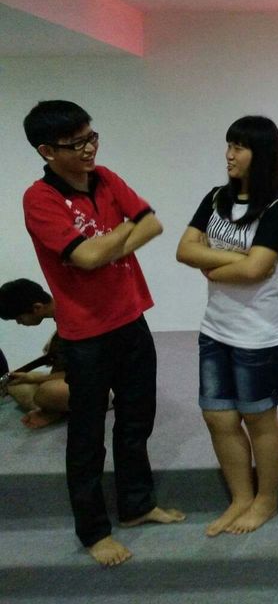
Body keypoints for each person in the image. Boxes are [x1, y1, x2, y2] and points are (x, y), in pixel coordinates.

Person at [21, 100, 184, 566]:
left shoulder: (106, 177)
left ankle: (136, 505)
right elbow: (86, 257)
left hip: (131, 317)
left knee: (136, 420)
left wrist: (107, 243)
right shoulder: (40, 199)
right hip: (85, 333)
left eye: (91, 137)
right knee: (87, 435)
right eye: (76, 143)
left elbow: (153, 224)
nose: (90, 149)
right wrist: (124, 233)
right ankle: (94, 532)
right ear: (47, 151)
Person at [175, 115, 278, 537]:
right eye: (228, 145)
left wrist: (215, 264)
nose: (229, 154)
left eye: (239, 147)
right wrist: (239, 260)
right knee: (218, 417)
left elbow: (257, 270)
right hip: (217, 327)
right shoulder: (215, 198)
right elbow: (184, 250)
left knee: (258, 417)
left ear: (261, 154)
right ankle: (241, 497)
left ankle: (266, 499)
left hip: (262, 332)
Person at [0, 278, 70, 429]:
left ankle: (54, 410)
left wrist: (37, 378)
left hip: (106, 381)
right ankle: (54, 409)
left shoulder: (74, 320)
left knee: (48, 392)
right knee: (14, 385)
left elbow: (83, 372)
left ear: (37, 307)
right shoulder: (60, 320)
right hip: (76, 376)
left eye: (19, 318)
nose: (19, 323)